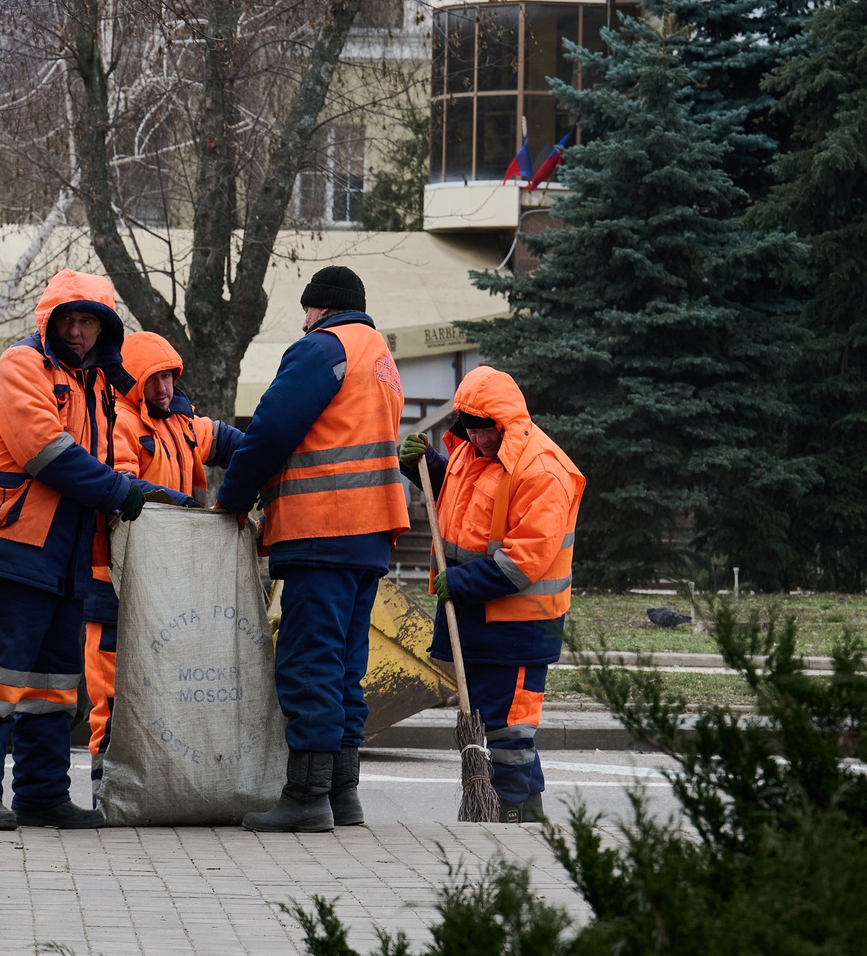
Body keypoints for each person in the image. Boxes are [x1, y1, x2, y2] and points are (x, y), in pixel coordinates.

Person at [0, 270, 168, 831]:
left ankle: (42, 795)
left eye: (87, 321)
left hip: (65, 549)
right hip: (13, 541)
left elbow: (102, 460)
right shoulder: (21, 366)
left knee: (53, 684)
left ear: (103, 327)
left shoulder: (96, 382)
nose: (77, 331)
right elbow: (45, 452)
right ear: (49, 322)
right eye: (68, 320)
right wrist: (121, 492)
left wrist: (137, 491)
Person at [214, 265, 406, 832]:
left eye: (307, 310)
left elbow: (271, 430)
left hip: (323, 527)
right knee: (346, 665)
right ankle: (343, 795)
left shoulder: (323, 349)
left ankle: (305, 798)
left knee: (309, 662)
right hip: (370, 534)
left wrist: (233, 498)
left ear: (321, 307)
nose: (303, 321)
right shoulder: (381, 357)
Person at [400, 366, 584, 824]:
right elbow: (465, 504)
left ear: (504, 423)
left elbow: (524, 562)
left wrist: (459, 584)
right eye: (471, 429)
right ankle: (503, 802)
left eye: (486, 430)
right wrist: (426, 467)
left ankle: (518, 805)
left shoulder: (541, 469)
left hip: (521, 622)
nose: (478, 440)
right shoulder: (471, 453)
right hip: (480, 616)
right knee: (487, 716)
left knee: (510, 723)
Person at [81, 331, 246, 784]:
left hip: (169, 582)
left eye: (170, 377)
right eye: (154, 379)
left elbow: (234, 444)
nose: (164, 389)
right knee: (112, 691)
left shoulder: (183, 422)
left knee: (166, 688)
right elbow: (126, 489)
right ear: (134, 382)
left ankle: (157, 785)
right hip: (114, 582)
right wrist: (188, 508)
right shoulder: (119, 422)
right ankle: (108, 787)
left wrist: (265, 460)